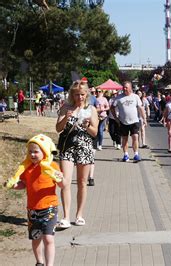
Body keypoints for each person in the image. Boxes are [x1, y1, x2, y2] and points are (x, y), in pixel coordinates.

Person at [4, 134, 64, 266]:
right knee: (36, 238)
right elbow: (24, 184)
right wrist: (13, 185)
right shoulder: (27, 169)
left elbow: (62, 185)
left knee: (48, 238)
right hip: (33, 209)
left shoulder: (52, 166)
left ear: (45, 152)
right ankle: (39, 262)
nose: (32, 154)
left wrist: (61, 177)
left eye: (36, 151)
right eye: (30, 151)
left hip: (49, 208)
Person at [55, 80, 98, 229]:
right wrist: (66, 117)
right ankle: (66, 217)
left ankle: (79, 215)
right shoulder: (65, 107)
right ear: (71, 94)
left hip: (84, 147)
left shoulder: (91, 109)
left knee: (81, 182)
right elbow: (58, 128)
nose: (79, 97)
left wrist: (87, 127)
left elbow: (95, 132)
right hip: (67, 147)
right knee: (65, 182)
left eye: (82, 94)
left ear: (86, 94)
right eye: (76, 94)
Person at [111, 81, 146, 162]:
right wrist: (116, 118)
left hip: (134, 121)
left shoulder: (135, 97)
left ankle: (136, 154)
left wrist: (144, 119)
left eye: (126, 87)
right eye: (123, 87)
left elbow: (140, 108)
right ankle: (126, 155)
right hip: (123, 122)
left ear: (130, 88)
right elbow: (112, 107)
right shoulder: (118, 98)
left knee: (135, 137)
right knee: (125, 139)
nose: (124, 88)